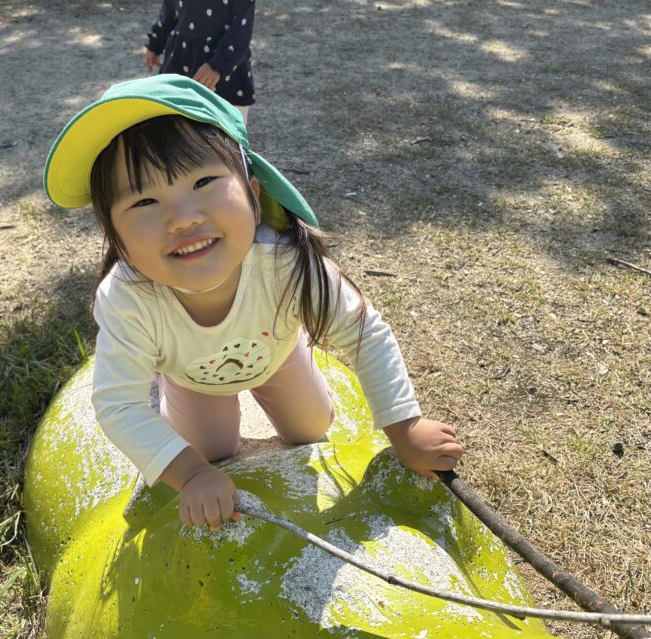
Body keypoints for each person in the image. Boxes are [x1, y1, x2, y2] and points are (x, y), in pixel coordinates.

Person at [43, 75, 463, 532]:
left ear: (254, 196)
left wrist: (405, 428)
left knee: (312, 430)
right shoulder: (128, 300)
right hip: (195, 379)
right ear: (116, 238)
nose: (183, 219)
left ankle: (289, 364)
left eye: (203, 181)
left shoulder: (286, 263)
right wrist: (192, 473)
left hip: (276, 354)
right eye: (144, 201)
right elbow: (119, 405)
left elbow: (365, 332)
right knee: (213, 453)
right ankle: (166, 385)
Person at [144, 0, 255, 122]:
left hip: (225, 76)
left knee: (226, 125)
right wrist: (155, 43)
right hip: (181, 63)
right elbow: (169, 11)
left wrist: (217, 66)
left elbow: (240, 33)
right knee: (177, 122)